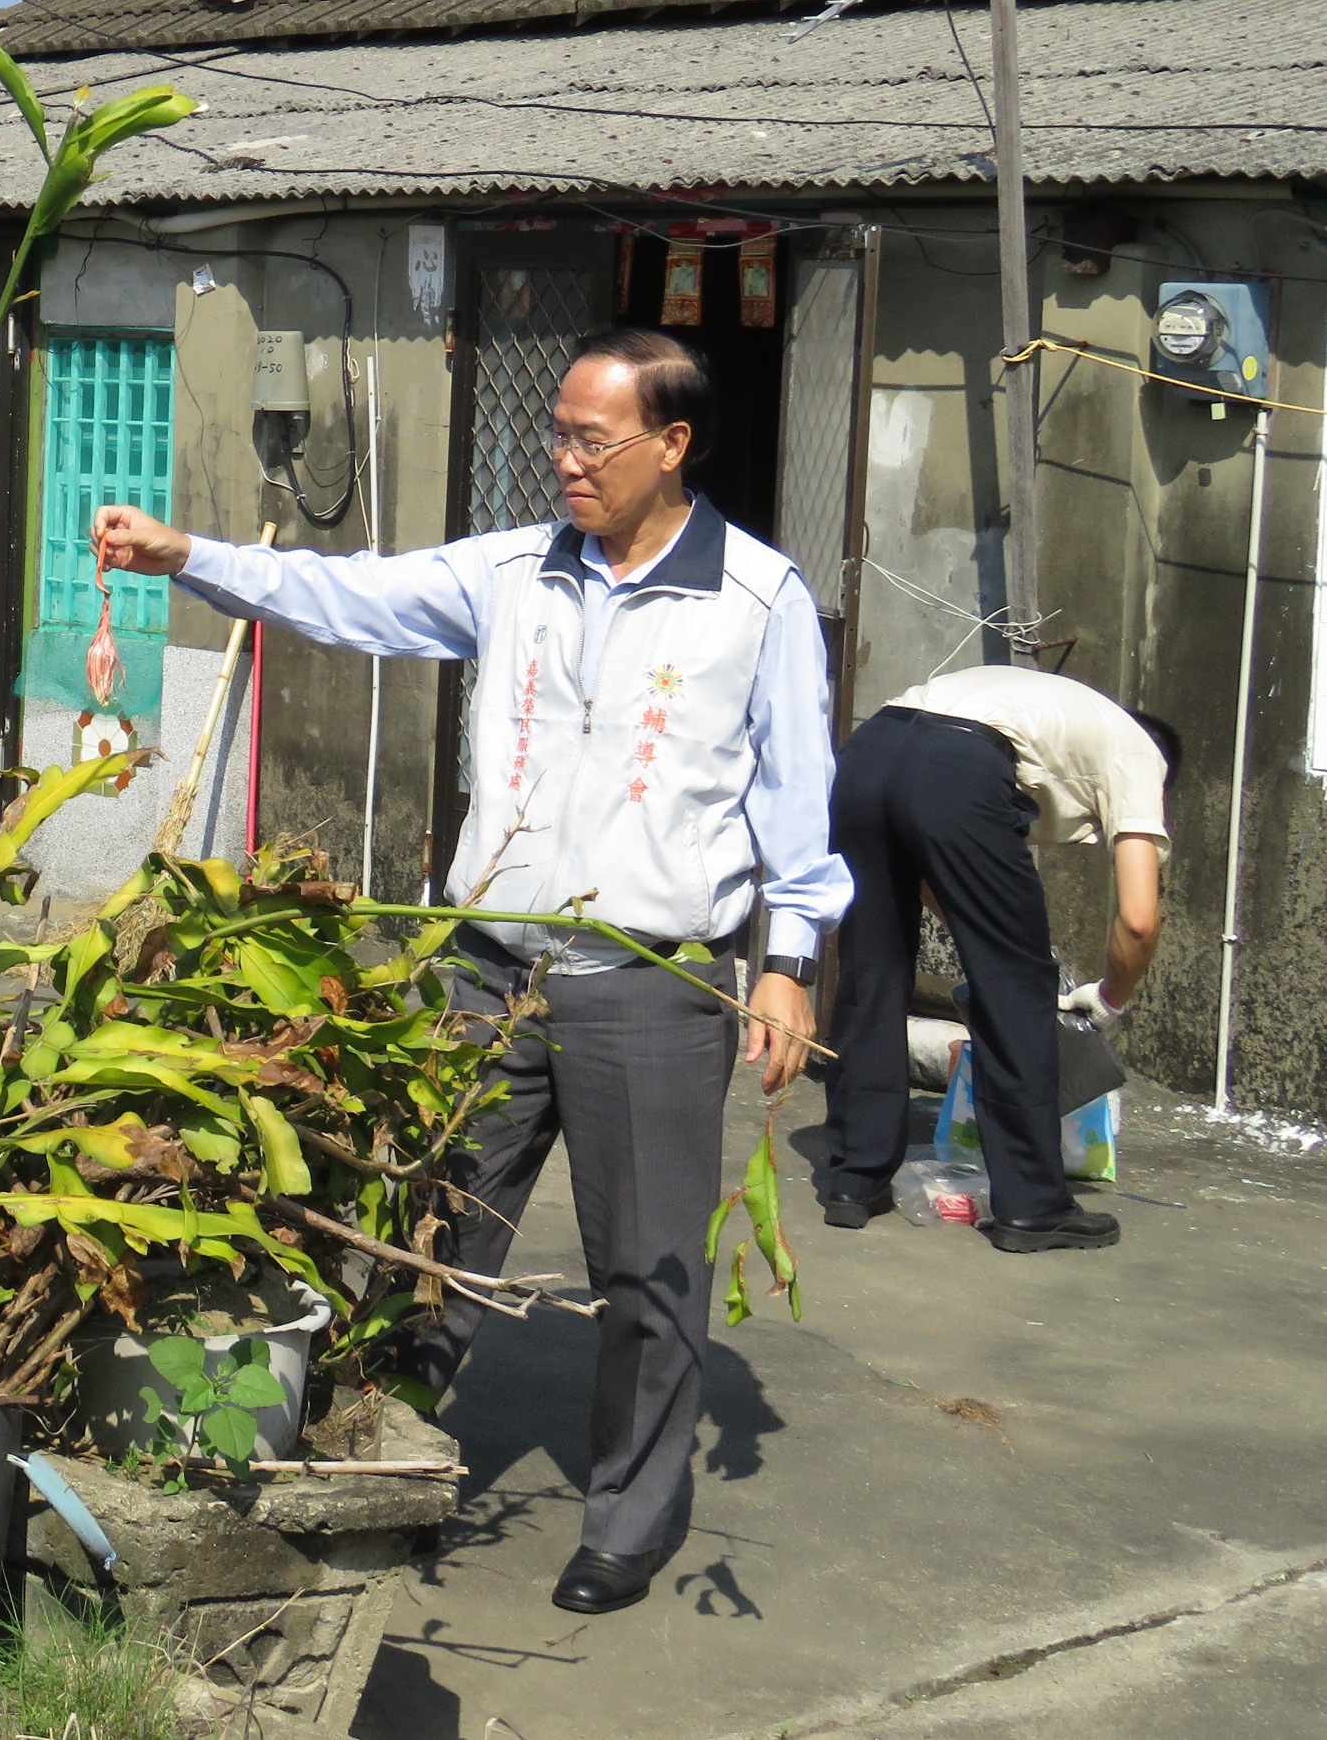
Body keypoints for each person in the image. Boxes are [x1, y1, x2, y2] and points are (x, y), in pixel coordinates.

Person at [92, 327, 846, 1619]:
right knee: (424, 1237)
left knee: (650, 1269)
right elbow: (353, 597)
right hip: (488, 967)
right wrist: (189, 559)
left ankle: (630, 1516)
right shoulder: (510, 572)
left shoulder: (758, 604)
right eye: (552, 433)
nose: (561, 460)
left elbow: (796, 805)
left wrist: (786, 964)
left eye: (588, 439)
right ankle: (377, 1468)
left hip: (654, 986)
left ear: (671, 445)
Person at [822, 665, 1179, 1251]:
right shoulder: (1142, 756)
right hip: (958, 768)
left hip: (868, 750)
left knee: (873, 968)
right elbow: (1139, 920)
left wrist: (985, 941)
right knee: (1018, 988)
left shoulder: (1058, 715)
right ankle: (1032, 1206)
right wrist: (1110, 997)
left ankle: (853, 1180)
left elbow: (934, 878)